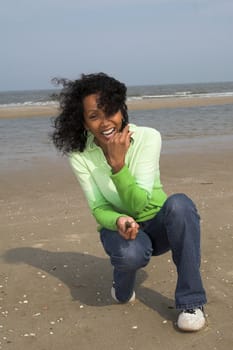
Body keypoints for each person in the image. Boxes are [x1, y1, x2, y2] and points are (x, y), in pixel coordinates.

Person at [52, 72, 207, 332]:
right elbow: (99, 208)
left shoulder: (148, 137)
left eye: (110, 111)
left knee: (180, 205)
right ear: (83, 122)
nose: (105, 122)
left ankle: (192, 302)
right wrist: (119, 220)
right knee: (130, 255)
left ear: (121, 110)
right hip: (119, 229)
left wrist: (118, 164)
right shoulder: (80, 155)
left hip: (159, 224)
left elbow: (139, 203)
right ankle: (121, 288)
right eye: (93, 116)